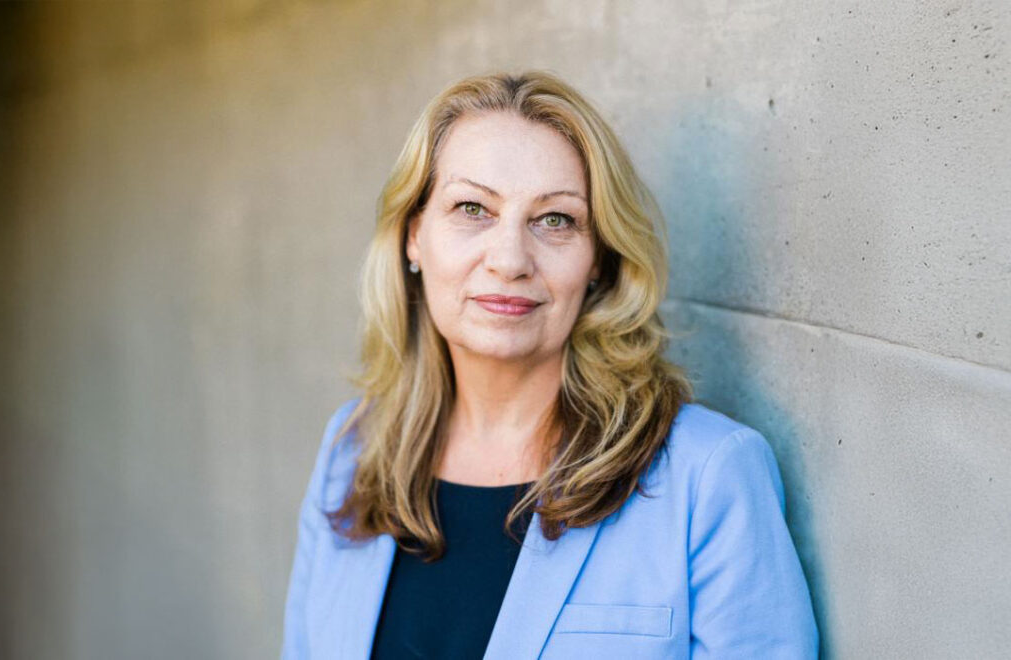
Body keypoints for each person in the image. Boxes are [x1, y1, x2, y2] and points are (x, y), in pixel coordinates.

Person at [281, 70, 818, 659]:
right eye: (472, 208)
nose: (510, 259)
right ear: (414, 236)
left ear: (597, 260)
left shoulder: (709, 475)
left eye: (555, 219)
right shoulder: (351, 452)